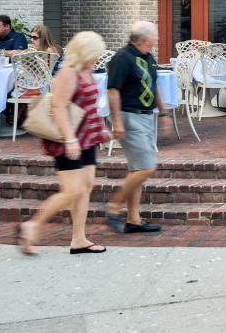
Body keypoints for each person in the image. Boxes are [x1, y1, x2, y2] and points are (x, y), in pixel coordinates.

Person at [15, 31, 110, 256]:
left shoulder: (87, 70)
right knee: (72, 190)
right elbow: (57, 106)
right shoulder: (67, 73)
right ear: (84, 52)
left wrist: (100, 129)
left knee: (85, 187)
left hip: (87, 137)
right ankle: (31, 226)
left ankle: (79, 239)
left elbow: (89, 105)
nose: (97, 58)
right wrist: (70, 138)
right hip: (68, 139)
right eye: (94, 54)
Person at [105, 21, 169, 235]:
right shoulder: (122, 58)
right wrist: (117, 122)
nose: (158, 39)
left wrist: (164, 112)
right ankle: (113, 207)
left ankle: (134, 219)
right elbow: (112, 90)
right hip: (129, 116)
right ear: (145, 39)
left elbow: (153, 85)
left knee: (137, 170)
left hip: (146, 117)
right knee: (146, 167)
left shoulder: (148, 57)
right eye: (156, 35)